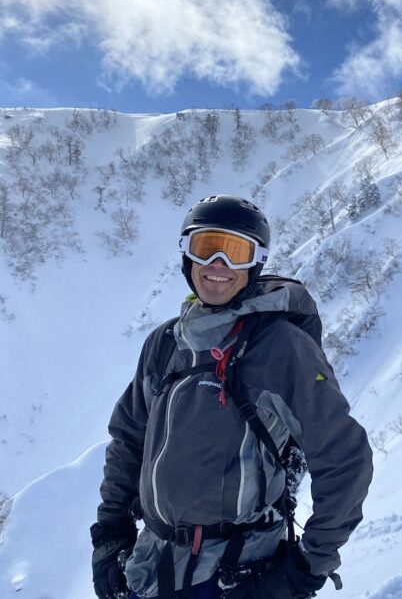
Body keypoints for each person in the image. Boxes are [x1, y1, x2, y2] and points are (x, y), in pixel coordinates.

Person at [90, 195, 373, 599]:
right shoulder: (166, 343)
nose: (219, 265)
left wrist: (309, 565)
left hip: (237, 574)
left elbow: (345, 457)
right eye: (207, 247)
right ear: (187, 256)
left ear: (255, 263)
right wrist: (111, 532)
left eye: (237, 252)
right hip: (151, 567)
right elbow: (128, 439)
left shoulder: (279, 346)